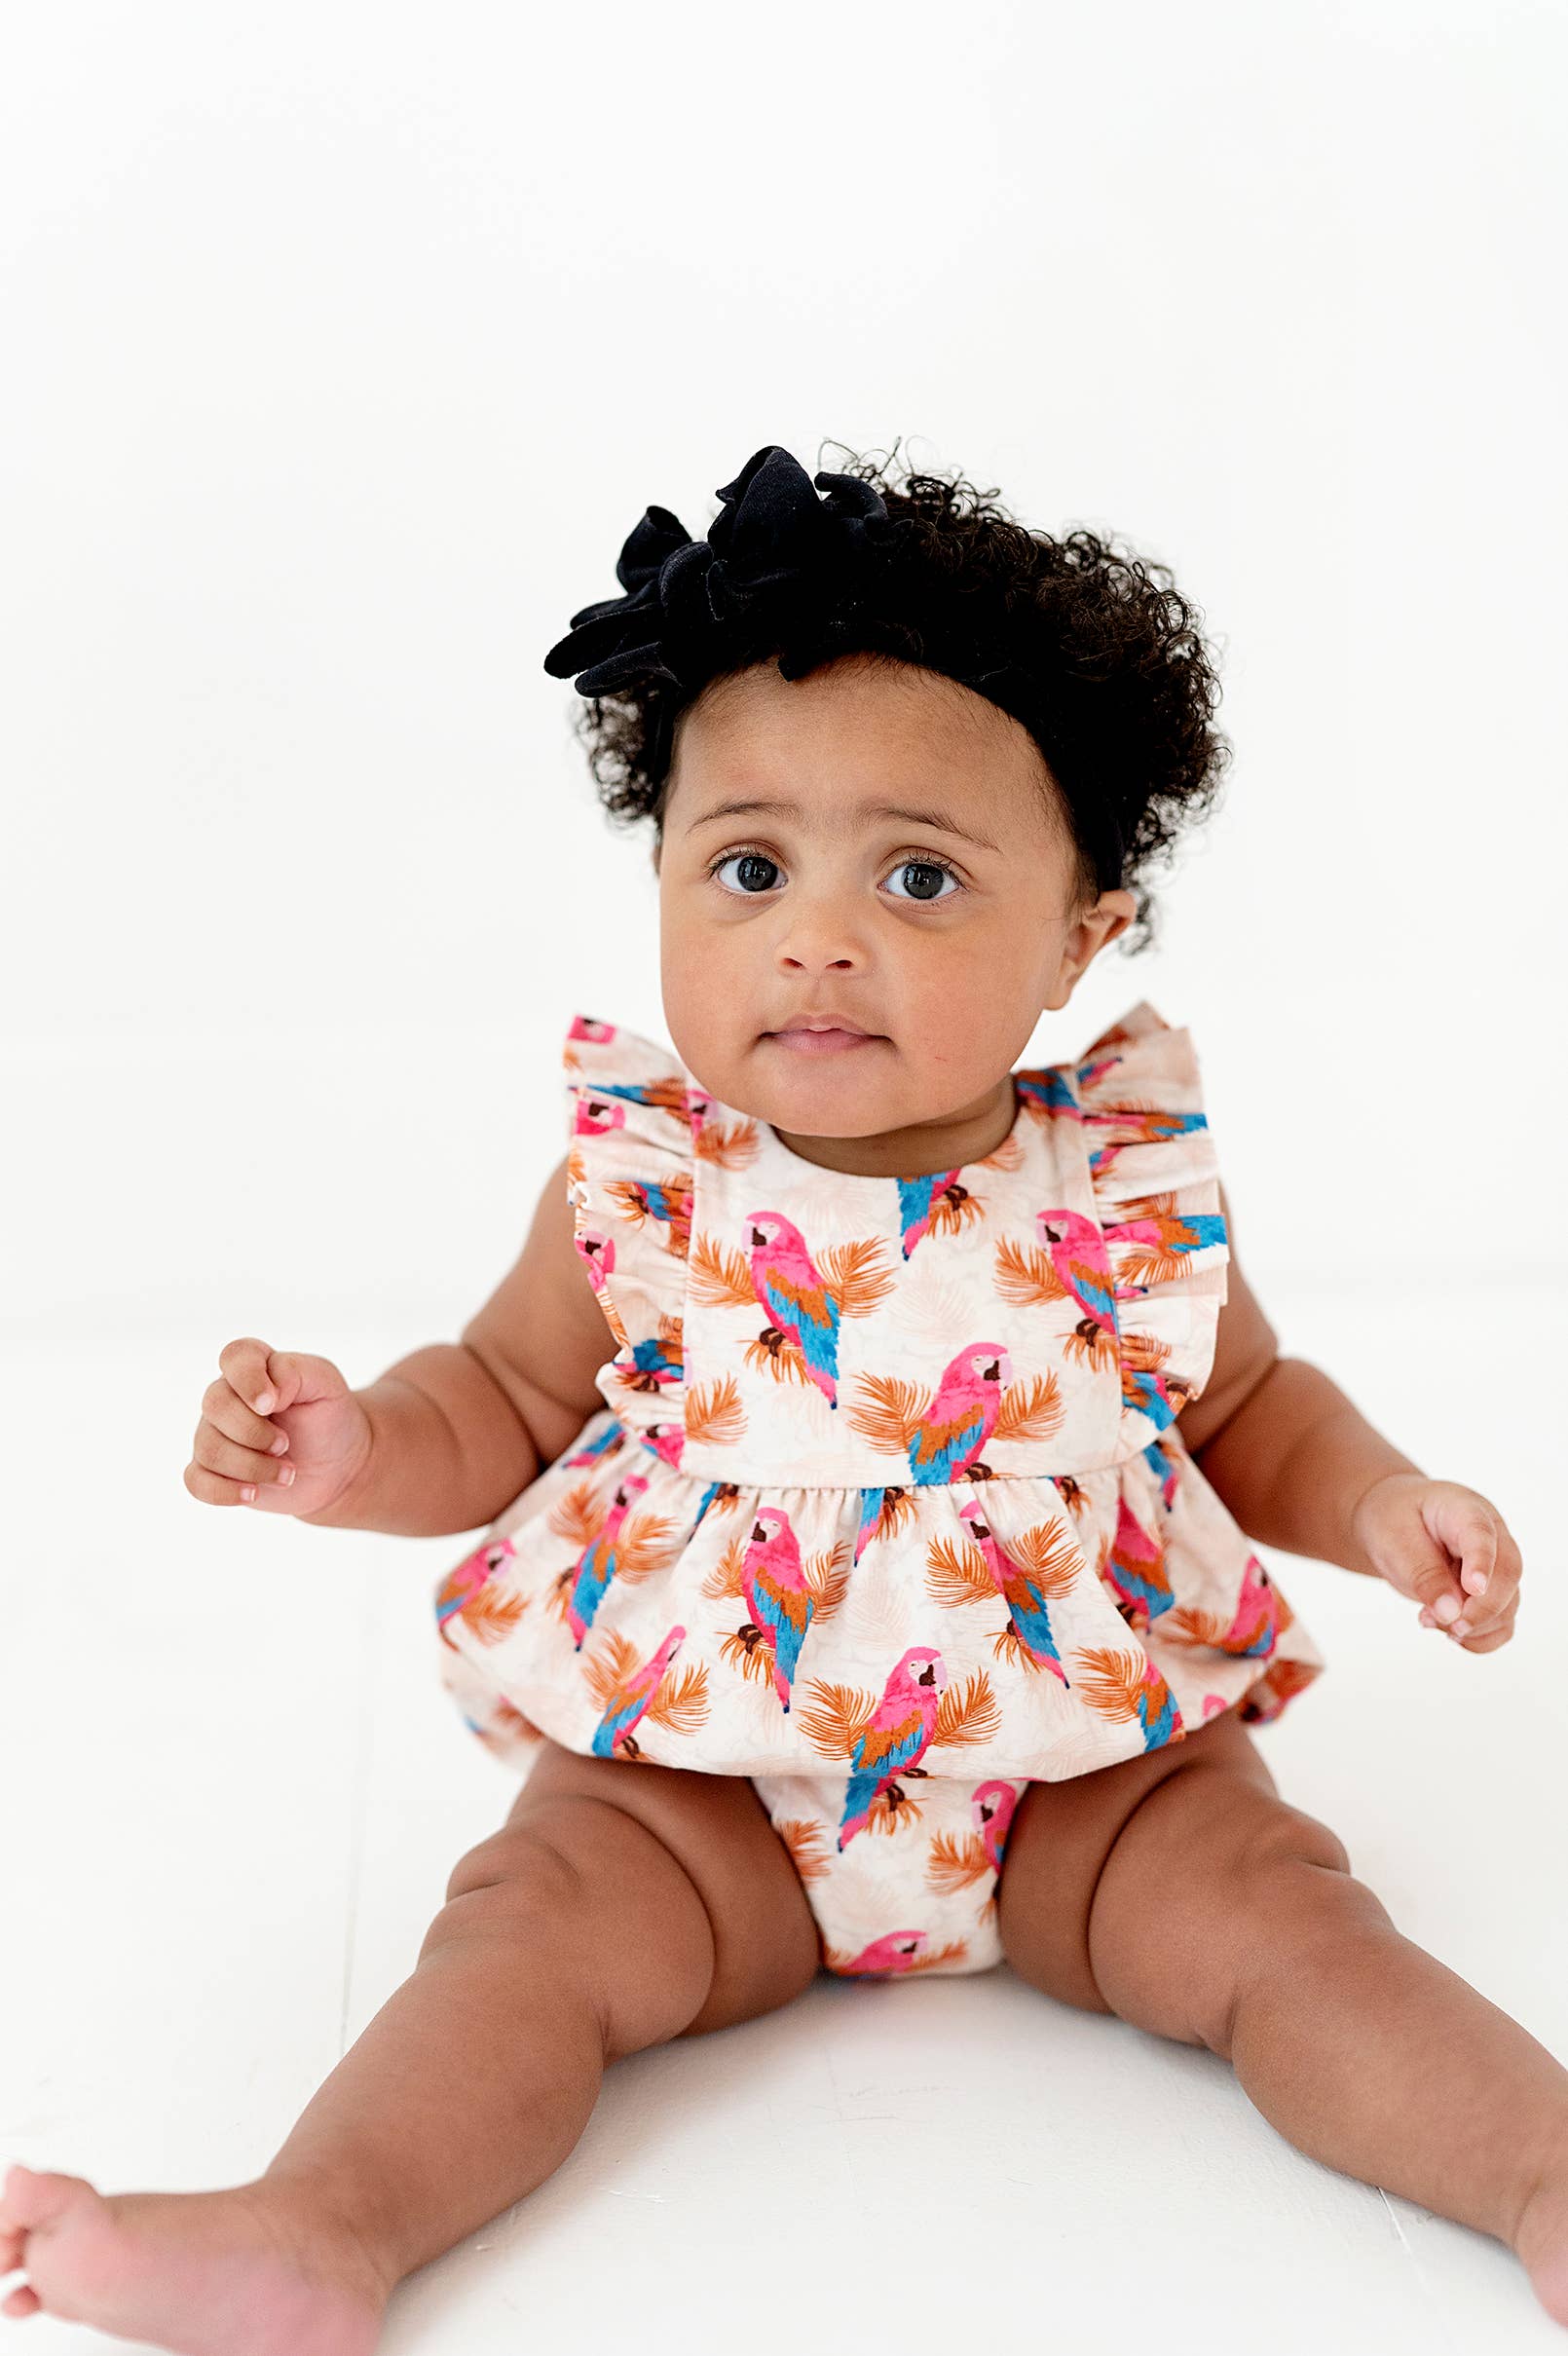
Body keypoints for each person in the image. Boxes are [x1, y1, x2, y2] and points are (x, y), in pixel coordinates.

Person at [6, 442, 1564, 2350]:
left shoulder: (1119, 1182)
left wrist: (1384, 1503)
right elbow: (498, 1395)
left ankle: (1536, 2172)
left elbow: (1250, 1406)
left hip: (1096, 1774)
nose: (815, 936)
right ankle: (321, 2225)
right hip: (697, 1787)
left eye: (918, 874)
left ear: (1082, 934)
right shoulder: (648, 1186)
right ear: (663, 878)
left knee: (1285, 1917)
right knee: (524, 1932)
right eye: (747, 867)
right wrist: (355, 1449)